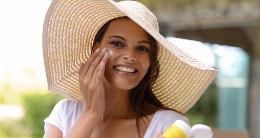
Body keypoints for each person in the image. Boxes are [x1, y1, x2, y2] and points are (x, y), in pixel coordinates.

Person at [42, 0, 218, 138]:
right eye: (117, 43)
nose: (130, 56)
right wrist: (91, 113)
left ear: (151, 61)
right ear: (96, 49)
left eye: (142, 48)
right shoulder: (65, 113)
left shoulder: (169, 124)